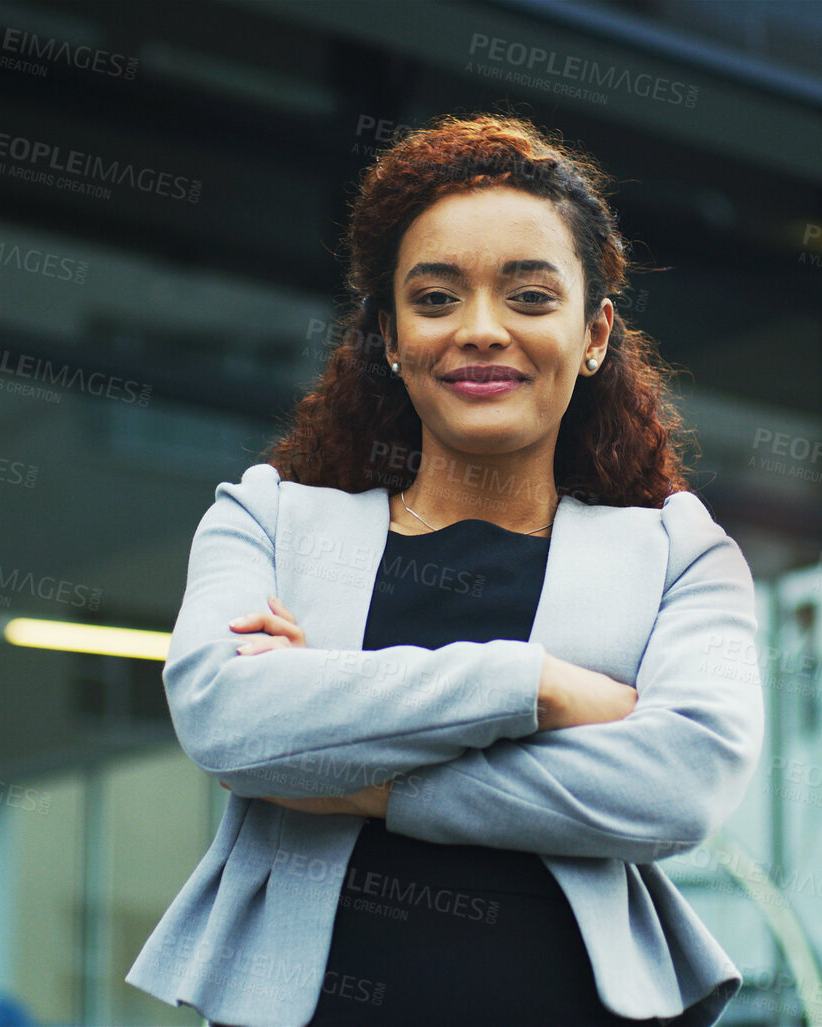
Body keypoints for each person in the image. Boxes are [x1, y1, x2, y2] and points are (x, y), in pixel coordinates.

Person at [126, 112, 766, 1027]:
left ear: (593, 334)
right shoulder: (268, 519)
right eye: (434, 299)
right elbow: (227, 723)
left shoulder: (677, 554)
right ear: (389, 336)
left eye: (530, 298)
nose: (479, 330)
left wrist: (362, 780)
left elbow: (680, 783)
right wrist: (535, 684)